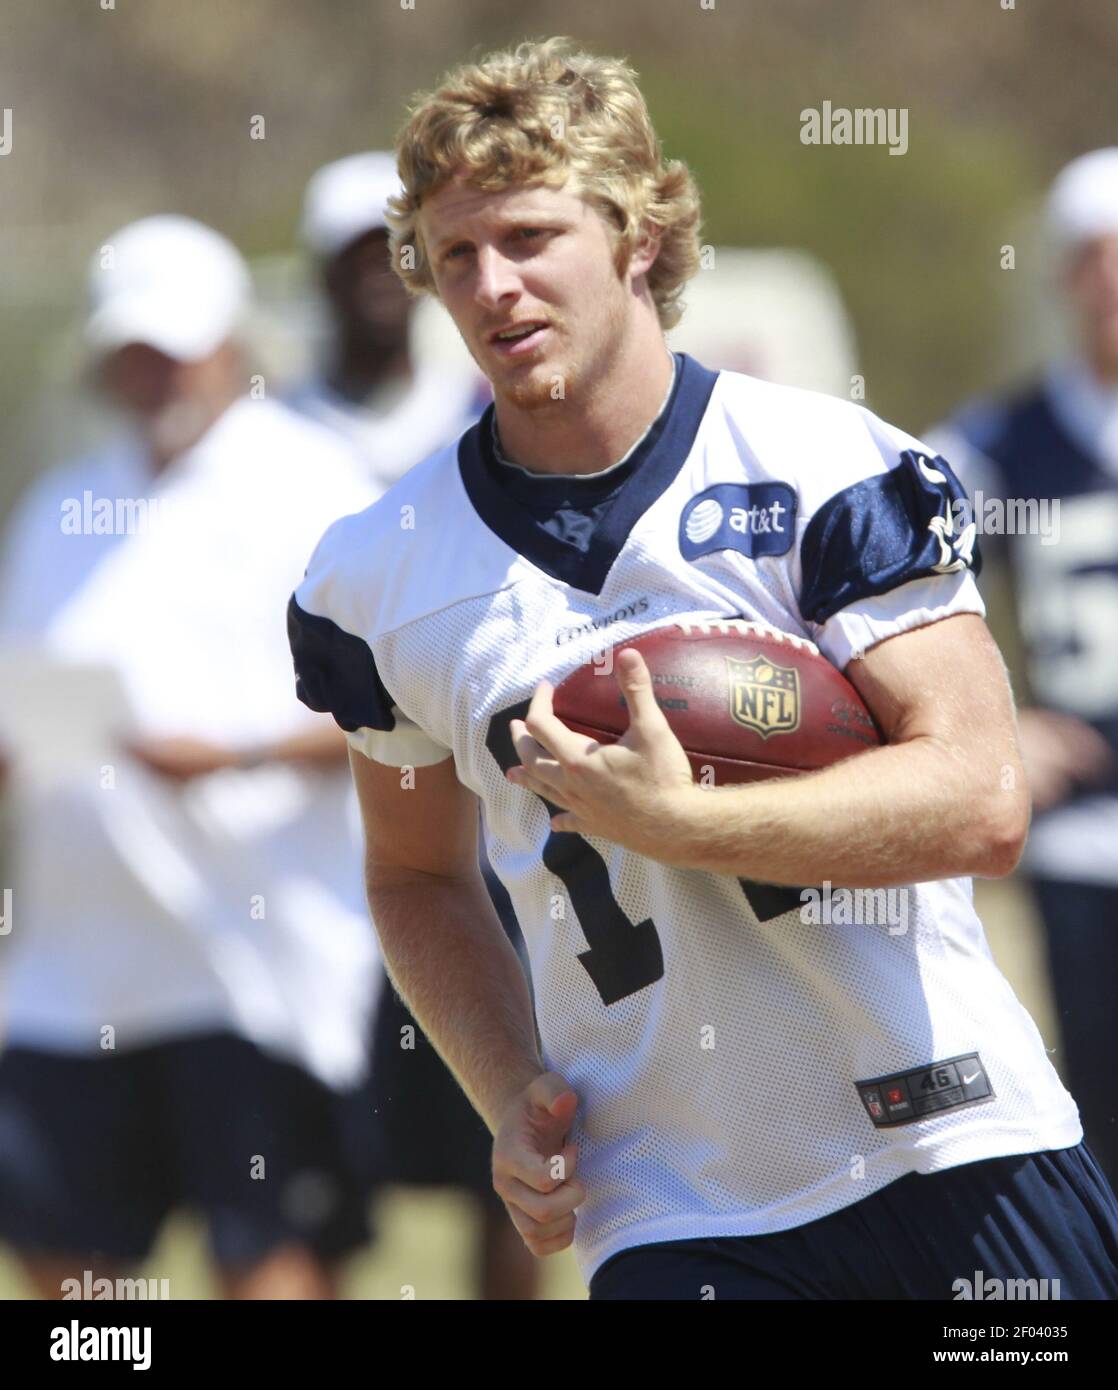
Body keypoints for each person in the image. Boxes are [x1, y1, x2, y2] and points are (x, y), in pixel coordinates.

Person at [287, 39, 1118, 1299]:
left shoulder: (823, 462)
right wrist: (508, 1090)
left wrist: (695, 824)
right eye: (453, 255)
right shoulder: (377, 571)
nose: (491, 286)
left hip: (953, 1139)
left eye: (527, 235)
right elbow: (412, 874)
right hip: (673, 1202)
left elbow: (980, 800)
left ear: (634, 234)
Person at [0, 215, 380, 1299]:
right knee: (55, 1242)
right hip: (77, 964)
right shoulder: (59, 506)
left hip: (251, 951)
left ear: (231, 346)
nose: (152, 374)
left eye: (172, 348)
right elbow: (38, 696)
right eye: (132, 353)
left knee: (260, 1249)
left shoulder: (313, 483)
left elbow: (395, 708)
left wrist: (225, 757)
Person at [289, 154, 536, 1299]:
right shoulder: (267, 431)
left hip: (477, 836)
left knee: (523, 1133)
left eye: (395, 258)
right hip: (296, 866)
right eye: (354, 260)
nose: (378, 284)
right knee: (321, 1177)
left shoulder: (493, 420)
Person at [930, 148, 1118, 1186]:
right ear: (1059, 274)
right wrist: (996, 731)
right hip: (1086, 829)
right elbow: (882, 557)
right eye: (1090, 256)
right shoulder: (1002, 439)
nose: (1110, 280)